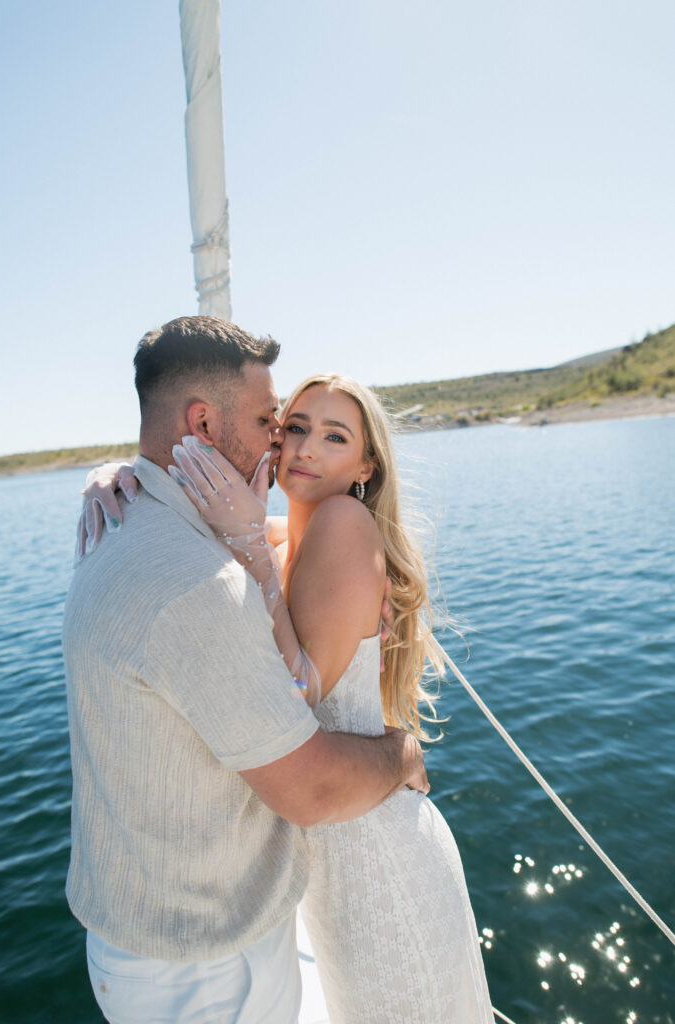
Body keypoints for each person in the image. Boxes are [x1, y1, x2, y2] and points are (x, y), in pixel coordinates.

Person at [83, 362, 495, 1021]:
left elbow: (296, 691)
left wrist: (247, 539)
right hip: (325, 851)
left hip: (370, 845)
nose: (304, 447)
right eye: (294, 426)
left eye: (334, 437)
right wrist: (117, 478)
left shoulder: (340, 523)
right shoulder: (284, 533)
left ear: (365, 466)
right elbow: (211, 523)